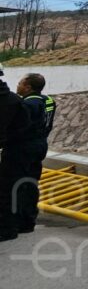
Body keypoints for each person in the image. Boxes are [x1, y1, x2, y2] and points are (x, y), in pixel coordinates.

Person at [13, 73, 55, 235]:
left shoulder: (28, 104)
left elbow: (19, 127)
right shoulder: (48, 101)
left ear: (28, 87)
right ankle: (29, 220)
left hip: (24, 147)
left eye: (20, 83)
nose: (17, 85)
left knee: (17, 184)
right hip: (40, 144)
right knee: (31, 182)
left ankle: (17, 221)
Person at [0, 66, 29, 242]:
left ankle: (7, 229)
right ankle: (11, 227)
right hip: (11, 150)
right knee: (7, 190)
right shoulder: (15, 100)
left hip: (9, 151)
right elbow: (23, 126)